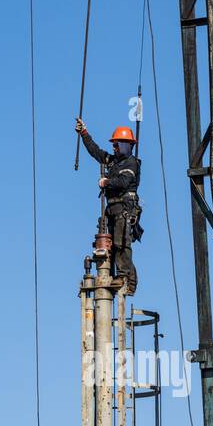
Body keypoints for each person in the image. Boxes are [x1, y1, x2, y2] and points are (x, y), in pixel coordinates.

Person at [76, 118, 142, 294]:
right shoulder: (112, 161)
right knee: (110, 245)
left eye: (117, 144)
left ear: (126, 145)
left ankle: (125, 278)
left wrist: (106, 182)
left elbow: (123, 181)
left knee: (122, 244)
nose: (114, 148)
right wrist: (84, 134)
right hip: (112, 209)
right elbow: (96, 152)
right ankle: (115, 276)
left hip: (124, 209)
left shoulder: (131, 163)